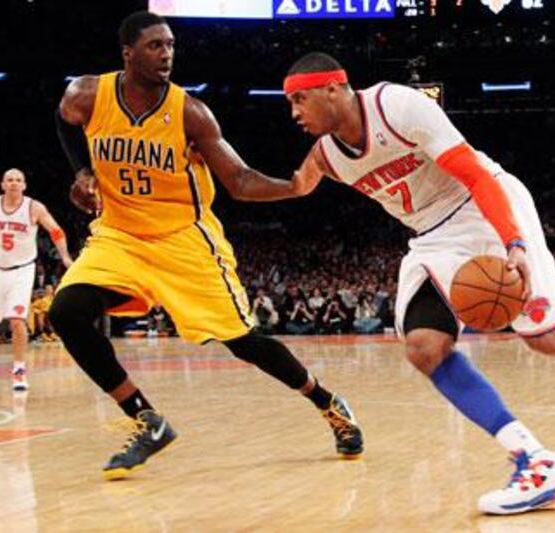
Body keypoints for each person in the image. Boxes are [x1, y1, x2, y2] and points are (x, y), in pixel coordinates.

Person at [277, 52, 555, 515]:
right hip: (432, 237)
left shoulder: (397, 106)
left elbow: (471, 172)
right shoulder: (325, 155)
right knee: (425, 347)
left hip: (484, 204)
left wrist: (514, 243)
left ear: (333, 88)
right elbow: (291, 186)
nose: (294, 113)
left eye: (300, 99)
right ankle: (534, 459)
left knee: (547, 338)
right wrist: (214, 168)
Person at [50, 12, 362, 481]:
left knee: (244, 343)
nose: (167, 54)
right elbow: (65, 123)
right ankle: (146, 421)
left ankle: (328, 403)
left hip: (184, 241)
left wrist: (294, 187)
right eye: (155, 45)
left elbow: (237, 181)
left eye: (171, 45)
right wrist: (82, 172)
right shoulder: (88, 94)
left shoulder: (190, 113)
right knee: (66, 312)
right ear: (128, 53)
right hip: (120, 235)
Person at [0, 169, 73, 391]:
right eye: (10, 180)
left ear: (24, 185)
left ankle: (19, 370)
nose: (14, 183)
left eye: (18, 180)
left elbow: (56, 230)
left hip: (22, 269)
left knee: (17, 320)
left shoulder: (33, 207)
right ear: (2, 184)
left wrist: (65, 256)